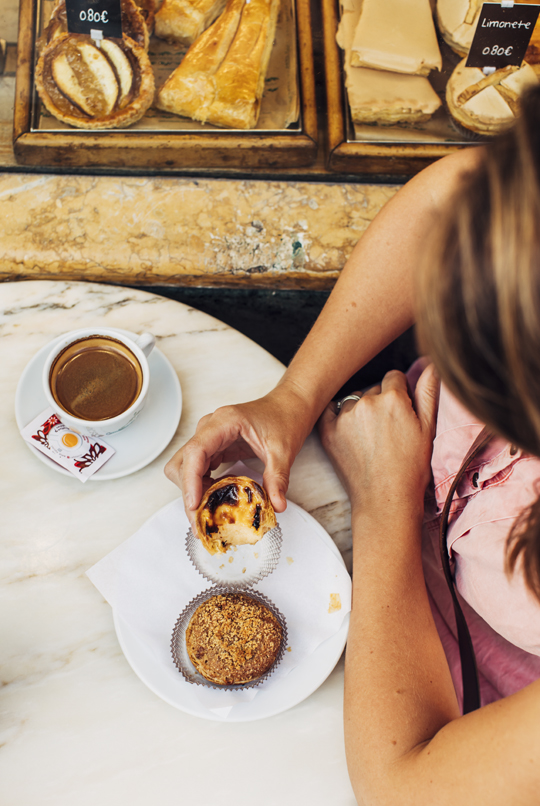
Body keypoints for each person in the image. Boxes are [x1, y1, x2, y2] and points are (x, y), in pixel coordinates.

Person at [165, 88, 540, 803]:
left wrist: (384, 501)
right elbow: (450, 203)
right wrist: (294, 395)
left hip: (435, 707)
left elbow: (403, 786)